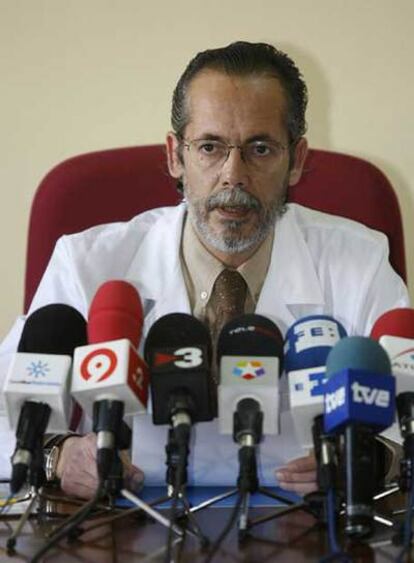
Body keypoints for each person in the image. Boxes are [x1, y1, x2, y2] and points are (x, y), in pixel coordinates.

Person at [0, 41, 409, 499]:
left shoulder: (358, 261)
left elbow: (406, 418)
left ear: (296, 160)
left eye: (260, 149)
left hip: (308, 522)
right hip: (120, 520)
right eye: (210, 147)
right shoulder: (88, 263)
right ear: (176, 156)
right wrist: (57, 453)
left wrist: (380, 460)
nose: (233, 175)